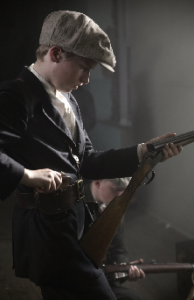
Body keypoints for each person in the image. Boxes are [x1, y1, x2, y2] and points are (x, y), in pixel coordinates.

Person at [0, 10, 182, 300]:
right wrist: (27, 175)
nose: (86, 79)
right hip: (47, 233)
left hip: (75, 225)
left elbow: (87, 161)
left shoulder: (68, 99)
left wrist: (144, 151)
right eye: (84, 67)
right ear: (56, 53)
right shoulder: (15, 96)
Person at [84, 177, 145, 300]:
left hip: (105, 279)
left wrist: (123, 266)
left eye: (124, 190)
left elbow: (119, 247)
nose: (121, 195)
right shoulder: (75, 204)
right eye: (115, 189)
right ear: (97, 182)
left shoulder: (115, 205)